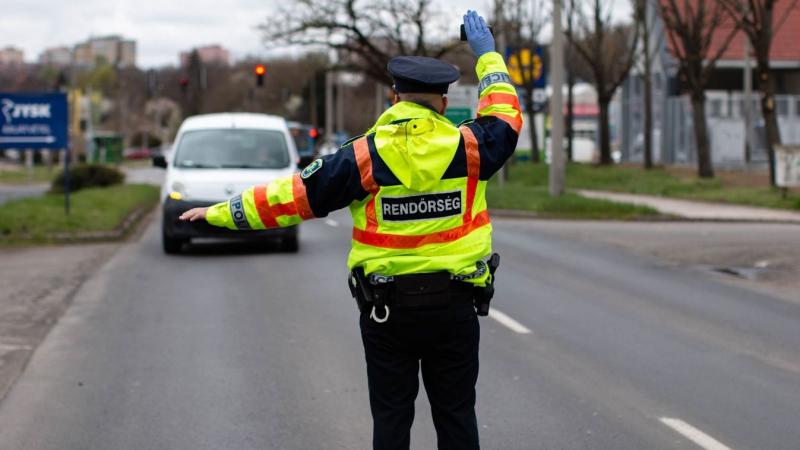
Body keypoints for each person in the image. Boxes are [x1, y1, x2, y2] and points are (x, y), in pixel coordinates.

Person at [179, 10, 521, 450]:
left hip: (387, 311)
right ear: (442, 101)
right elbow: (505, 113)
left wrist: (219, 213)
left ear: (394, 96)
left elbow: (290, 198)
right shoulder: (472, 148)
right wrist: (487, 55)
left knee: (392, 418)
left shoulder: (360, 158)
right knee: (456, 415)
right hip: (455, 307)